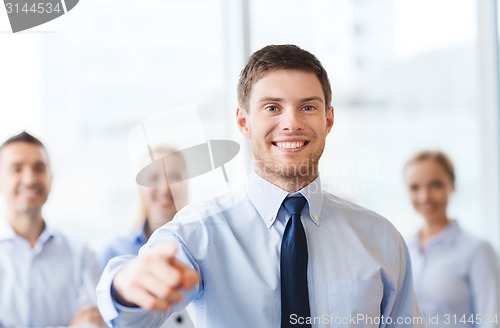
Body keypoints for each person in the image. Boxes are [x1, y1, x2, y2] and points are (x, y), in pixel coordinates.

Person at [97, 44, 424, 327]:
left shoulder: (380, 238)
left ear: (328, 120)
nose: (291, 122)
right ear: (243, 122)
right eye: (272, 107)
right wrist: (125, 287)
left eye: (308, 107)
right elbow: (131, 319)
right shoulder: (200, 232)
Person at [0, 131, 104, 327]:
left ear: (51, 179)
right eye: (17, 169)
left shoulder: (82, 255)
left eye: (39, 168)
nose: (30, 179)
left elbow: (92, 324)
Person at [404, 150, 500, 328]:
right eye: (415, 187)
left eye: (435, 185)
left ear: (452, 185)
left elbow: (491, 320)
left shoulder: (478, 251)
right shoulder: (402, 249)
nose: (424, 197)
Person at [99, 146, 193, 327]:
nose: (165, 188)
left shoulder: (206, 243)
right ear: (140, 187)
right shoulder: (115, 250)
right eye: (153, 178)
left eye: (174, 176)